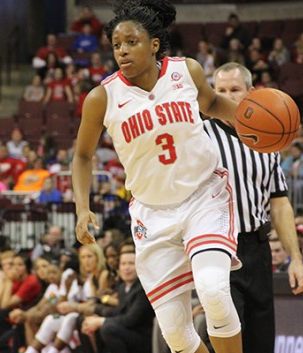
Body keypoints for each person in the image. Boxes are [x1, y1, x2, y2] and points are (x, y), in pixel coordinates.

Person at [72, 1, 246, 352]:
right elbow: (82, 156)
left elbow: (212, 104)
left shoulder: (187, 71)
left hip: (203, 196)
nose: (122, 51)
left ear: (154, 44)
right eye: (116, 45)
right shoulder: (102, 97)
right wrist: (81, 208)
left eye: (131, 42)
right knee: (176, 335)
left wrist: (251, 115)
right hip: (152, 213)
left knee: (212, 289)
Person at [204, 63, 303, 353]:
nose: (226, 96)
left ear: (250, 93)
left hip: (258, 250)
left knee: (261, 342)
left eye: (234, 90)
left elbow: (280, 203)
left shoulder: (270, 138)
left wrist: (295, 258)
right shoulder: (199, 136)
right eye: (220, 90)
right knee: (228, 341)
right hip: (217, 250)